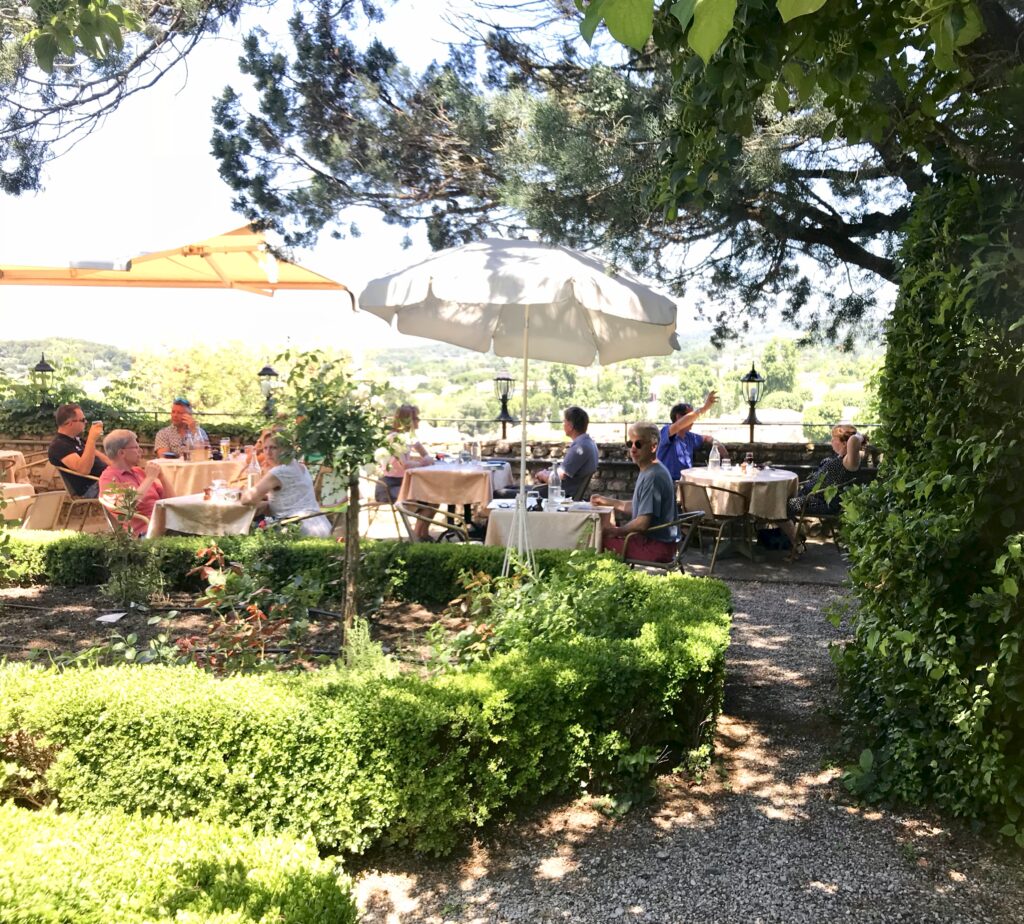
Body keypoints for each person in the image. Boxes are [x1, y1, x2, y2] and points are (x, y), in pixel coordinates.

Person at [592, 422, 679, 563]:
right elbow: (640, 507)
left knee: (595, 540)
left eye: (638, 444)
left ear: (653, 446)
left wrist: (616, 531)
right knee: (598, 536)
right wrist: (607, 501)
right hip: (660, 544)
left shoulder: (653, 476)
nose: (632, 449)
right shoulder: (651, 469)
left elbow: (642, 523)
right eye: (629, 443)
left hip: (655, 547)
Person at [782, 424, 865, 553]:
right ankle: (792, 539)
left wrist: (855, 436)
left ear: (845, 443)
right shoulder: (839, 457)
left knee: (782, 506)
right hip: (810, 497)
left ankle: (796, 543)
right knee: (779, 500)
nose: (831, 441)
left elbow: (854, 440)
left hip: (823, 503)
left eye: (834, 439)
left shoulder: (849, 461)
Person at [242, 433, 331, 537]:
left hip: (297, 528)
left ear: (286, 449)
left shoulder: (279, 471)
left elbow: (247, 499)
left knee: (251, 530)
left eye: (273, 448)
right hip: (319, 524)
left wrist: (242, 492)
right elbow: (290, 495)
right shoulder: (299, 466)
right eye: (265, 448)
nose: (268, 453)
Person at [377, 404, 436, 540]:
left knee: (434, 499)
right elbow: (405, 465)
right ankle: (417, 537)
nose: (418, 421)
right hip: (389, 486)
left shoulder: (409, 437)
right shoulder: (394, 438)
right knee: (427, 500)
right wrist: (423, 462)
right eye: (415, 418)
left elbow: (426, 455)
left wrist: (426, 459)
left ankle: (421, 535)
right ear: (406, 420)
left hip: (404, 484)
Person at [98, 429, 171, 536]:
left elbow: (171, 500)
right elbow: (125, 506)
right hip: (145, 532)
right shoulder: (108, 478)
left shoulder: (139, 472)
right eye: (136, 447)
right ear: (121, 453)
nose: (140, 451)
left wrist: (163, 478)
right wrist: (149, 478)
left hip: (166, 524)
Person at [657, 392, 729, 481]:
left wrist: (724, 454)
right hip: (668, 483)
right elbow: (678, 426)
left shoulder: (690, 437)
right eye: (690, 418)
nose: (693, 421)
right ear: (679, 417)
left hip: (686, 483)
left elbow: (707, 438)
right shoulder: (666, 432)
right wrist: (704, 409)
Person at [533, 405, 599, 500]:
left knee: (508, 493)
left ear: (571, 426)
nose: (563, 424)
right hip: (565, 492)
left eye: (564, 421)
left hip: (560, 496)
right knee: (511, 489)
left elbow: (557, 478)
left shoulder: (580, 448)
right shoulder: (589, 443)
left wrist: (542, 475)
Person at [47, 403, 110, 498]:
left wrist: (122, 469)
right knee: (133, 491)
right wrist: (91, 439)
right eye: (83, 420)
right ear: (70, 423)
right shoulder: (59, 445)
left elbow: (103, 459)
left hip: (106, 479)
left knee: (135, 481)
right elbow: (83, 470)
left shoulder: (78, 440)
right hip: (92, 486)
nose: (86, 422)